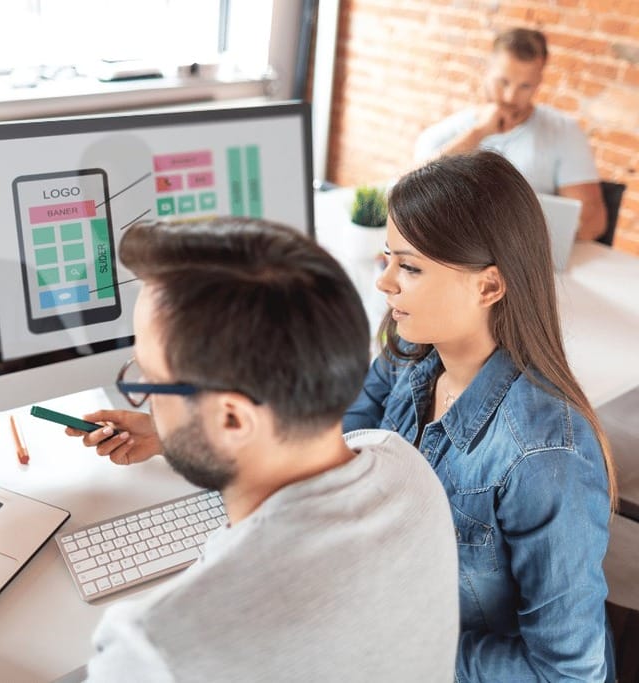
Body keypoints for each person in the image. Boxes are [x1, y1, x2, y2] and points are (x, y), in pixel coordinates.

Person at [0, 217, 460, 681]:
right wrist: (181, 434)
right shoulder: (403, 466)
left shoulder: (156, 646)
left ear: (234, 417)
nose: (143, 399)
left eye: (148, 381)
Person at [81, 152, 617, 680]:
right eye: (387, 258)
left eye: (408, 267)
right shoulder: (412, 358)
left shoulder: (546, 454)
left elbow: (569, 673)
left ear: (489, 286)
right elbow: (308, 442)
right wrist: (177, 429)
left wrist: (385, 642)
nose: (384, 283)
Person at [414, 27, 607, 241]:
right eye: (503, 82)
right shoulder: (443, 134)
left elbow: (593, 222)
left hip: (527, 256)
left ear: (538, 84)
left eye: (525, 86)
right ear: (487, 71)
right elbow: (412, 189)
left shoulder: (564, 131)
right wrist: (479, 133)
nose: (510, 96)